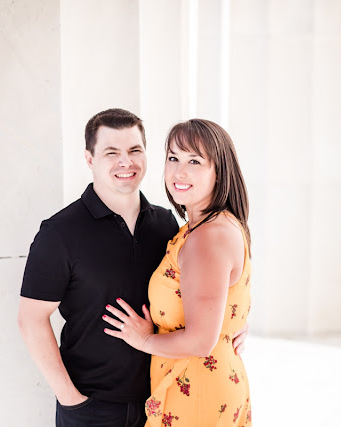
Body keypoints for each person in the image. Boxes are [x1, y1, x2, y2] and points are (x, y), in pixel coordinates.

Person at [17, 109, 247, 427]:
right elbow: (31, 320)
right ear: (89, 158)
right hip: (92, 405)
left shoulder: (166, 224)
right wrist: (71, 400)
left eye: (134, 150)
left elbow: (211, 283)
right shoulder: (60, 232)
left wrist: (231, 323)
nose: (126, 162)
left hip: (160, 400)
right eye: (112, 152)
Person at [102, 119, 252, 426]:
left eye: (194, 161)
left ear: (219, 172)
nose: (179, 172)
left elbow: (200, 342)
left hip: (197, 391)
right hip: (204, 383)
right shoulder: (208, 228)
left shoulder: (207, 238)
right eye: (173, 158)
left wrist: (142, 340)